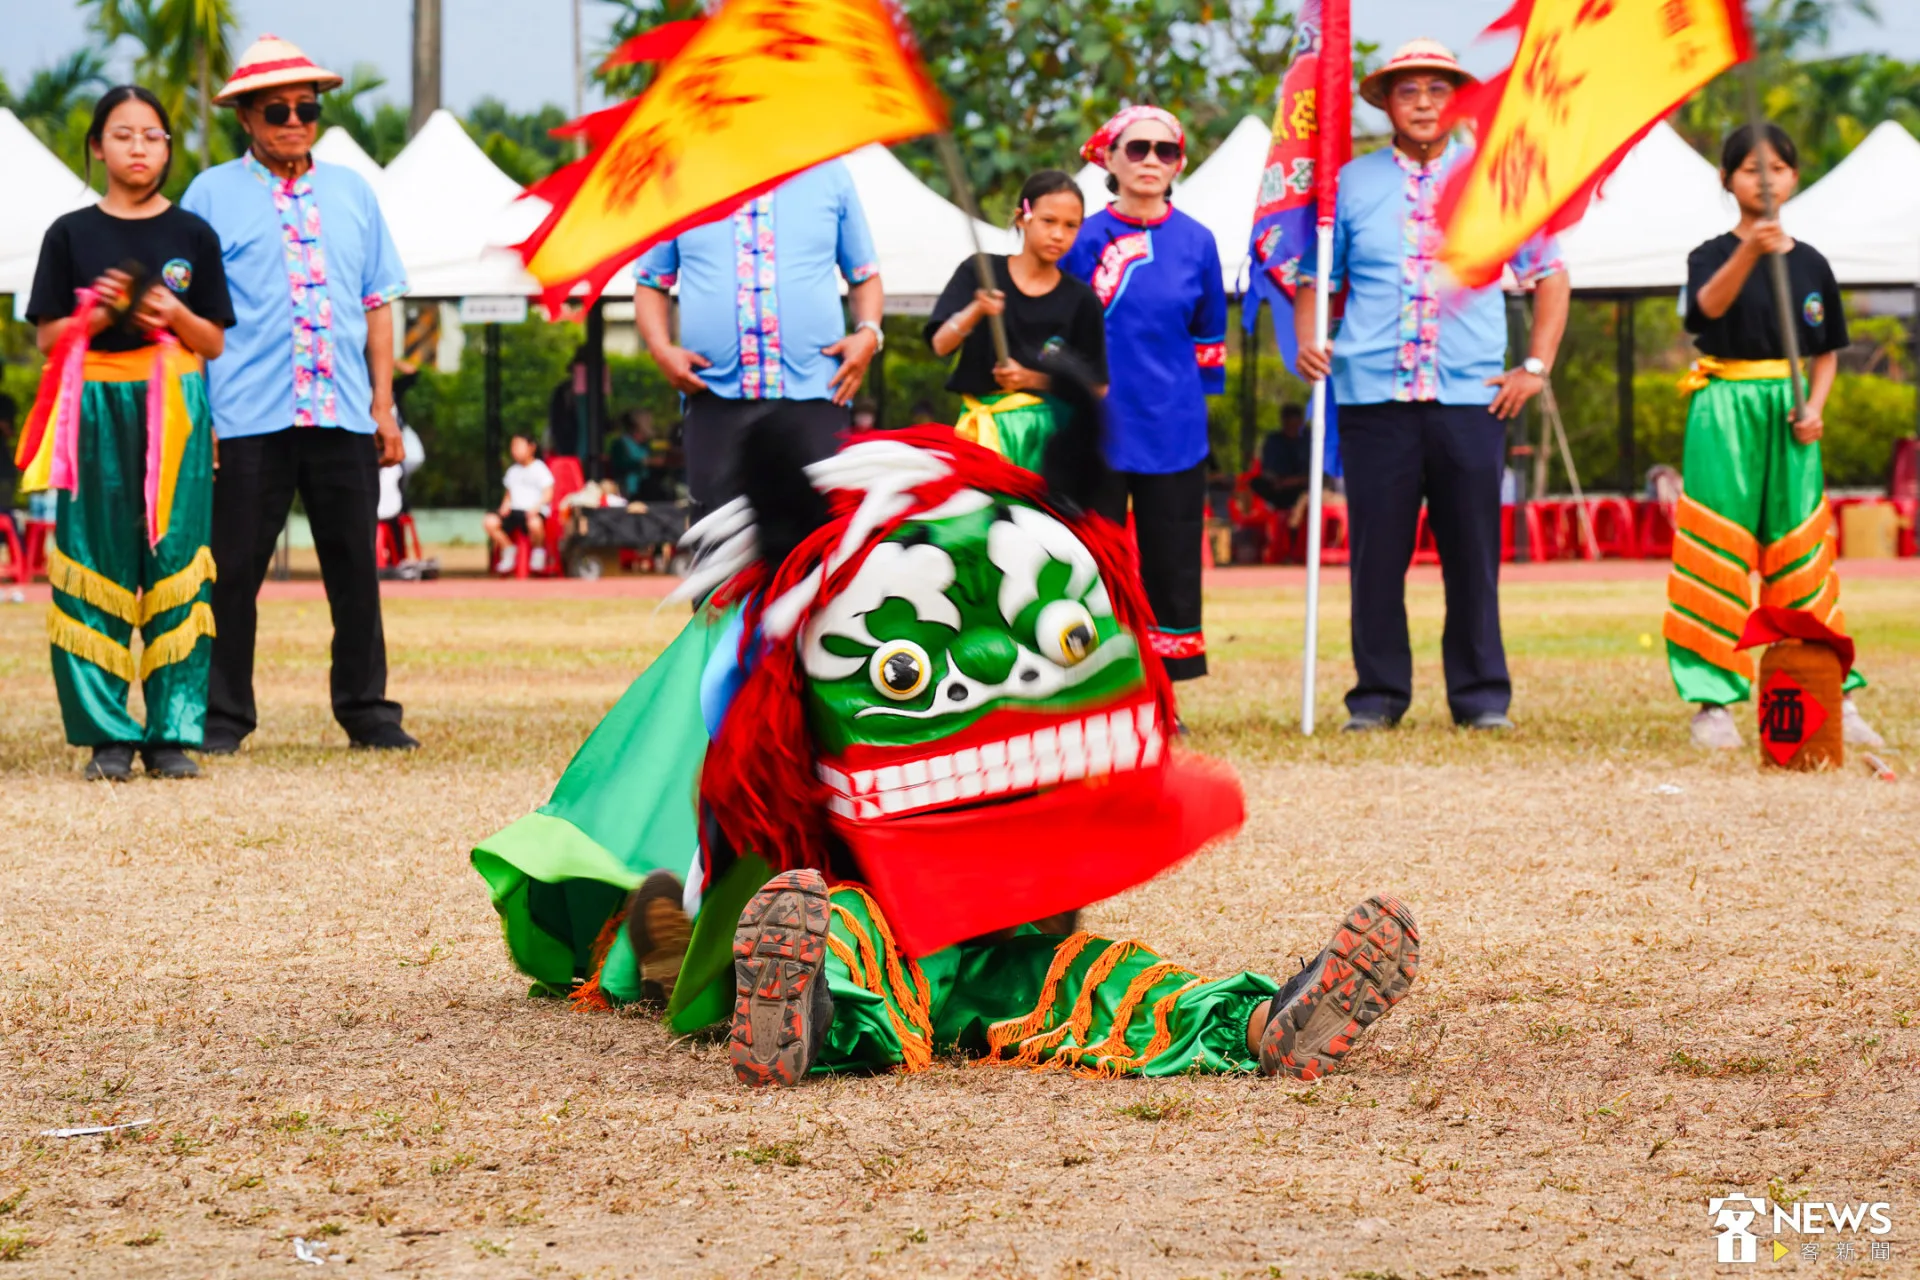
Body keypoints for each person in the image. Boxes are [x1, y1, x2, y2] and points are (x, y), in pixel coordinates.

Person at [471, 387, 1420, 1088]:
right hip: (868, 908)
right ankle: (789, 1006)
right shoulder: (791, 698)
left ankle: (1264, 1023)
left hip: (998, 927)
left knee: (1093, 972)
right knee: (833, 931)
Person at [1296, 39, 1571, 732]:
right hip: (1372, 398)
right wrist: (1308, 334)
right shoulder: (1349, 184)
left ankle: (1481, 697)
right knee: (1376, 558)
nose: (1423, 103)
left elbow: (1550, 275)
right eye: (1407, 91)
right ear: (1386, 103)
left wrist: (1534, 368)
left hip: (1472, 396)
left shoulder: (1500, 179)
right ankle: (1378, 698)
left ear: (1458, 101)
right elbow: (1316, 276)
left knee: (1474, 554)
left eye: (1437, 90)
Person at [181, 35, 416, 753]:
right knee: (233, 572)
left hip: (343, 411)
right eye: (276, 109)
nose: (294, 120)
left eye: (306, 108)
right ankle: (222, 719)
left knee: (355, 570)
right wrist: (202, 418)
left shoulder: (353, 192)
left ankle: (369, 712)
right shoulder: (210, 194)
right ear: (247, 119)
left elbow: (378, 303)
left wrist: (383, 407)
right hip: (247, 415)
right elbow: (188, 322)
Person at [20, 85, 234, 781]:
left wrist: (170, 308)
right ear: (97, 146)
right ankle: (107, 735)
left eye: (152, 135)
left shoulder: (193, 234)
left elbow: (213, 341)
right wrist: (96, 309)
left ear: (169, 148)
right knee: (94, 559)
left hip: (175, 404)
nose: (139, 147)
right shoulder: (70, 233)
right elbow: (49, 335)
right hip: (96, 404)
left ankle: (172, 733)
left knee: (176, 558)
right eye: (123, 134)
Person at [1668, 123, 1881, 750]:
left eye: (1779, 168)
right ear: (1727, 180)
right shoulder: (1709, 253)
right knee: (1718, 545)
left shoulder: (1813, 262)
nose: (1765, 180)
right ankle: (1712, 701)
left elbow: (1827, 352)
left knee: (1800, 550)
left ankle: (1828, 690)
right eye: (1749, 169)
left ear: (1795, 177)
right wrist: (1750, 252)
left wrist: (1814, 408)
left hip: (1791, 414)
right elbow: (1703, 309)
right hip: (1725, 403)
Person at [1061, 107, 1227, 682]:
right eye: (1137, 149)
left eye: (1166, 151)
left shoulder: (1198, 242)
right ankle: (1094, 681)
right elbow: (1060, 328)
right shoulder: (1080, 238)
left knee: (1173, 558)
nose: (1152, 160)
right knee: (1091, 557)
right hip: (1094, 427)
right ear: (1109, 159)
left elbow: (1209, 338)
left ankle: (1163, 687)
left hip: (1174, 427)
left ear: (1179, 163)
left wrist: (1185, 401)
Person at [633, 161, 883, 518]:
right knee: (719, 541)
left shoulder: (829, 172)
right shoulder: (679, 178)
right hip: (712, 394)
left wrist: (869, 333)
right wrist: (660, 348)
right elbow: (650, 282)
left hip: (817, 393)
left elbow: (865, 275)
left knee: (817, 539)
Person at [926, 169, 1108, 473]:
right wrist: (976, 309)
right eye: (1048, 221)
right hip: (981, 433)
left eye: (1070, 225)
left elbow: (1097, 389)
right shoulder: (981, 272)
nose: (1058, 234)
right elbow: (940, 345)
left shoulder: (1082, 300)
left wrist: (1033, 380)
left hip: (1049, 441)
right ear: (1023, 217)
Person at [483, 434, 553, 575]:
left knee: (535, 524)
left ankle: (538, 552)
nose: (515, 450)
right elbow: (508, 495)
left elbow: (548, 494)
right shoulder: (512, 471)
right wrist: (505, 506)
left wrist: (536, 507)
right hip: (514, 512)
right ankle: (508, 550)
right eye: (513, 447)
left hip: (533, 511)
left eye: (519, 446)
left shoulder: (540, 469)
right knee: (489, 522)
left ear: (531, 447)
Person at [1251, 403, 1312, 514]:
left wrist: (1293, 481)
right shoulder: (1274, 441)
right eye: (1288, 425)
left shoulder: (1310, 440)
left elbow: (1317, 474)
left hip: (1302, 487)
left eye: (1295, 425)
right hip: (1278, 487)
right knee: (1256, 483)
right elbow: (1267, 470)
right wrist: (1277, 481)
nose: (1292, 429)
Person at [608, 408, 655, 499]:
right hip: (628, 489)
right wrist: (643, 462)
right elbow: (619, 464)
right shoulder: (621, 443)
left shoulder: (645, 444)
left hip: (646, 488)